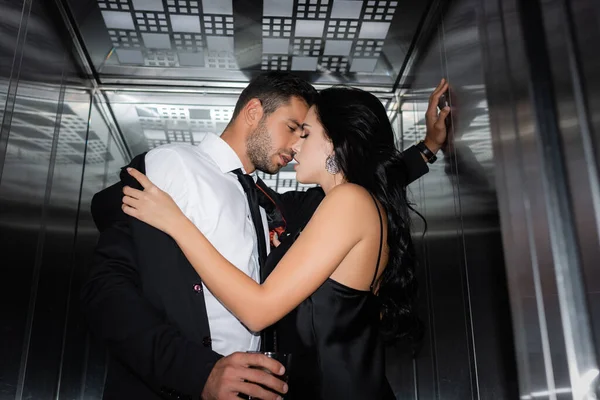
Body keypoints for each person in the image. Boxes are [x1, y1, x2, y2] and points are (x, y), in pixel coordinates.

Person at [83, 72, 449, 400]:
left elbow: (368, 173)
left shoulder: (279, 205)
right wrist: (197, 373)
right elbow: (109, 291)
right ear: (254, 112)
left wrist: (427, 149)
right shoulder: (168, 165)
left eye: (306, 132)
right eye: (294, 127)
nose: (295, 147)